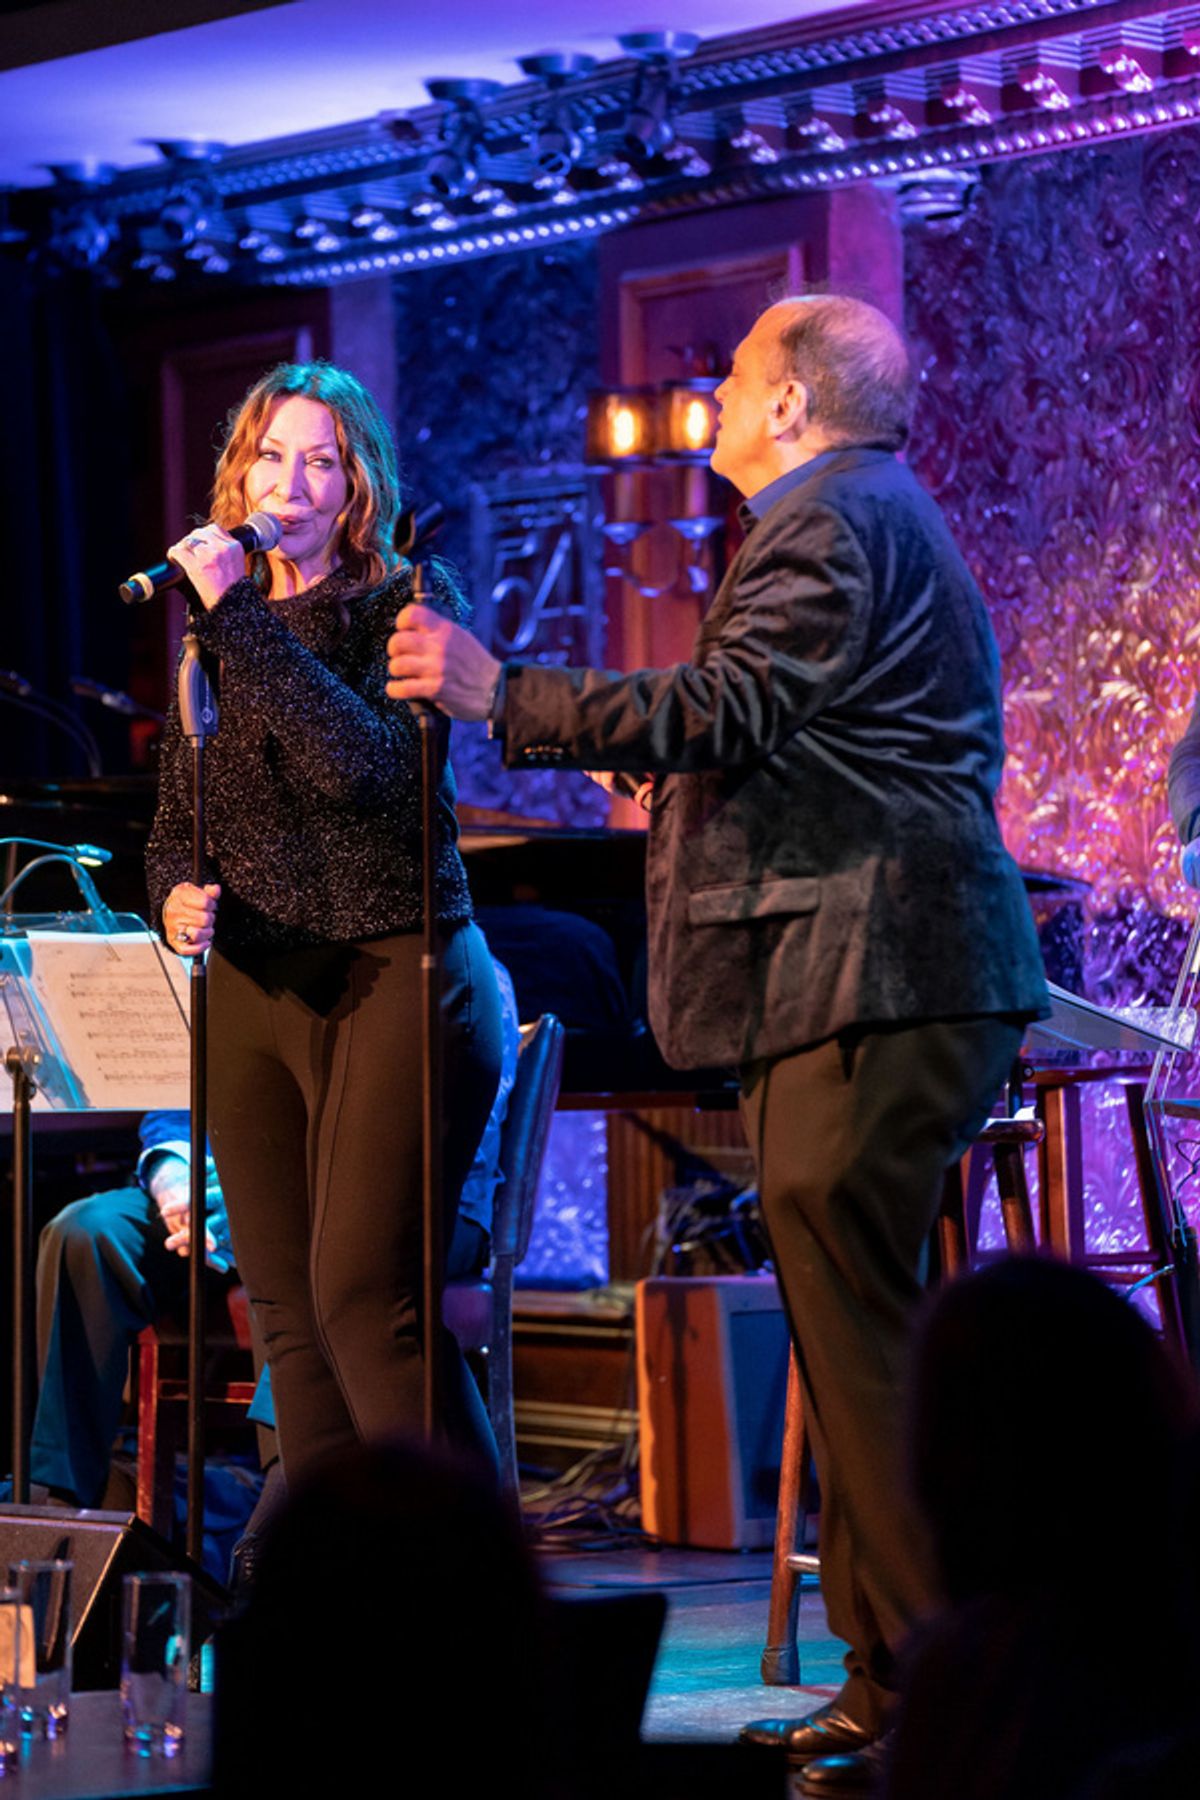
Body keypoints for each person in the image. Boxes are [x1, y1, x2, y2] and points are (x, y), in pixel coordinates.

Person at [386, 295, 1049, 1789]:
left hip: (883, 967)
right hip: (871, 968)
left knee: (866, 1352)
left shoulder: (829, 520)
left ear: (798, 406)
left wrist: (508, 693)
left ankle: (941, 1703)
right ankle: (897, 1687)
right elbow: (784, 730)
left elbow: (735, 705)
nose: (714, 401)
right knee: (854, 1338)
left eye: (737, 376)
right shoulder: (858, 514)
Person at [145, 361, 503, 1485]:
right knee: (287, 1313)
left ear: (357, 483)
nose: (290, 483)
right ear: (237, 474)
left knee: (366, 1302)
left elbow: (360, 775)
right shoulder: (215, 637)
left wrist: (240, 617)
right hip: (255, 987)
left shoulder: (409, 598)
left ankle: (483, 1598)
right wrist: (172, 897)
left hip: (395, 969)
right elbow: (171, 825)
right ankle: (346, 1607)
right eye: (270, 457)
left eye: (320, 460)